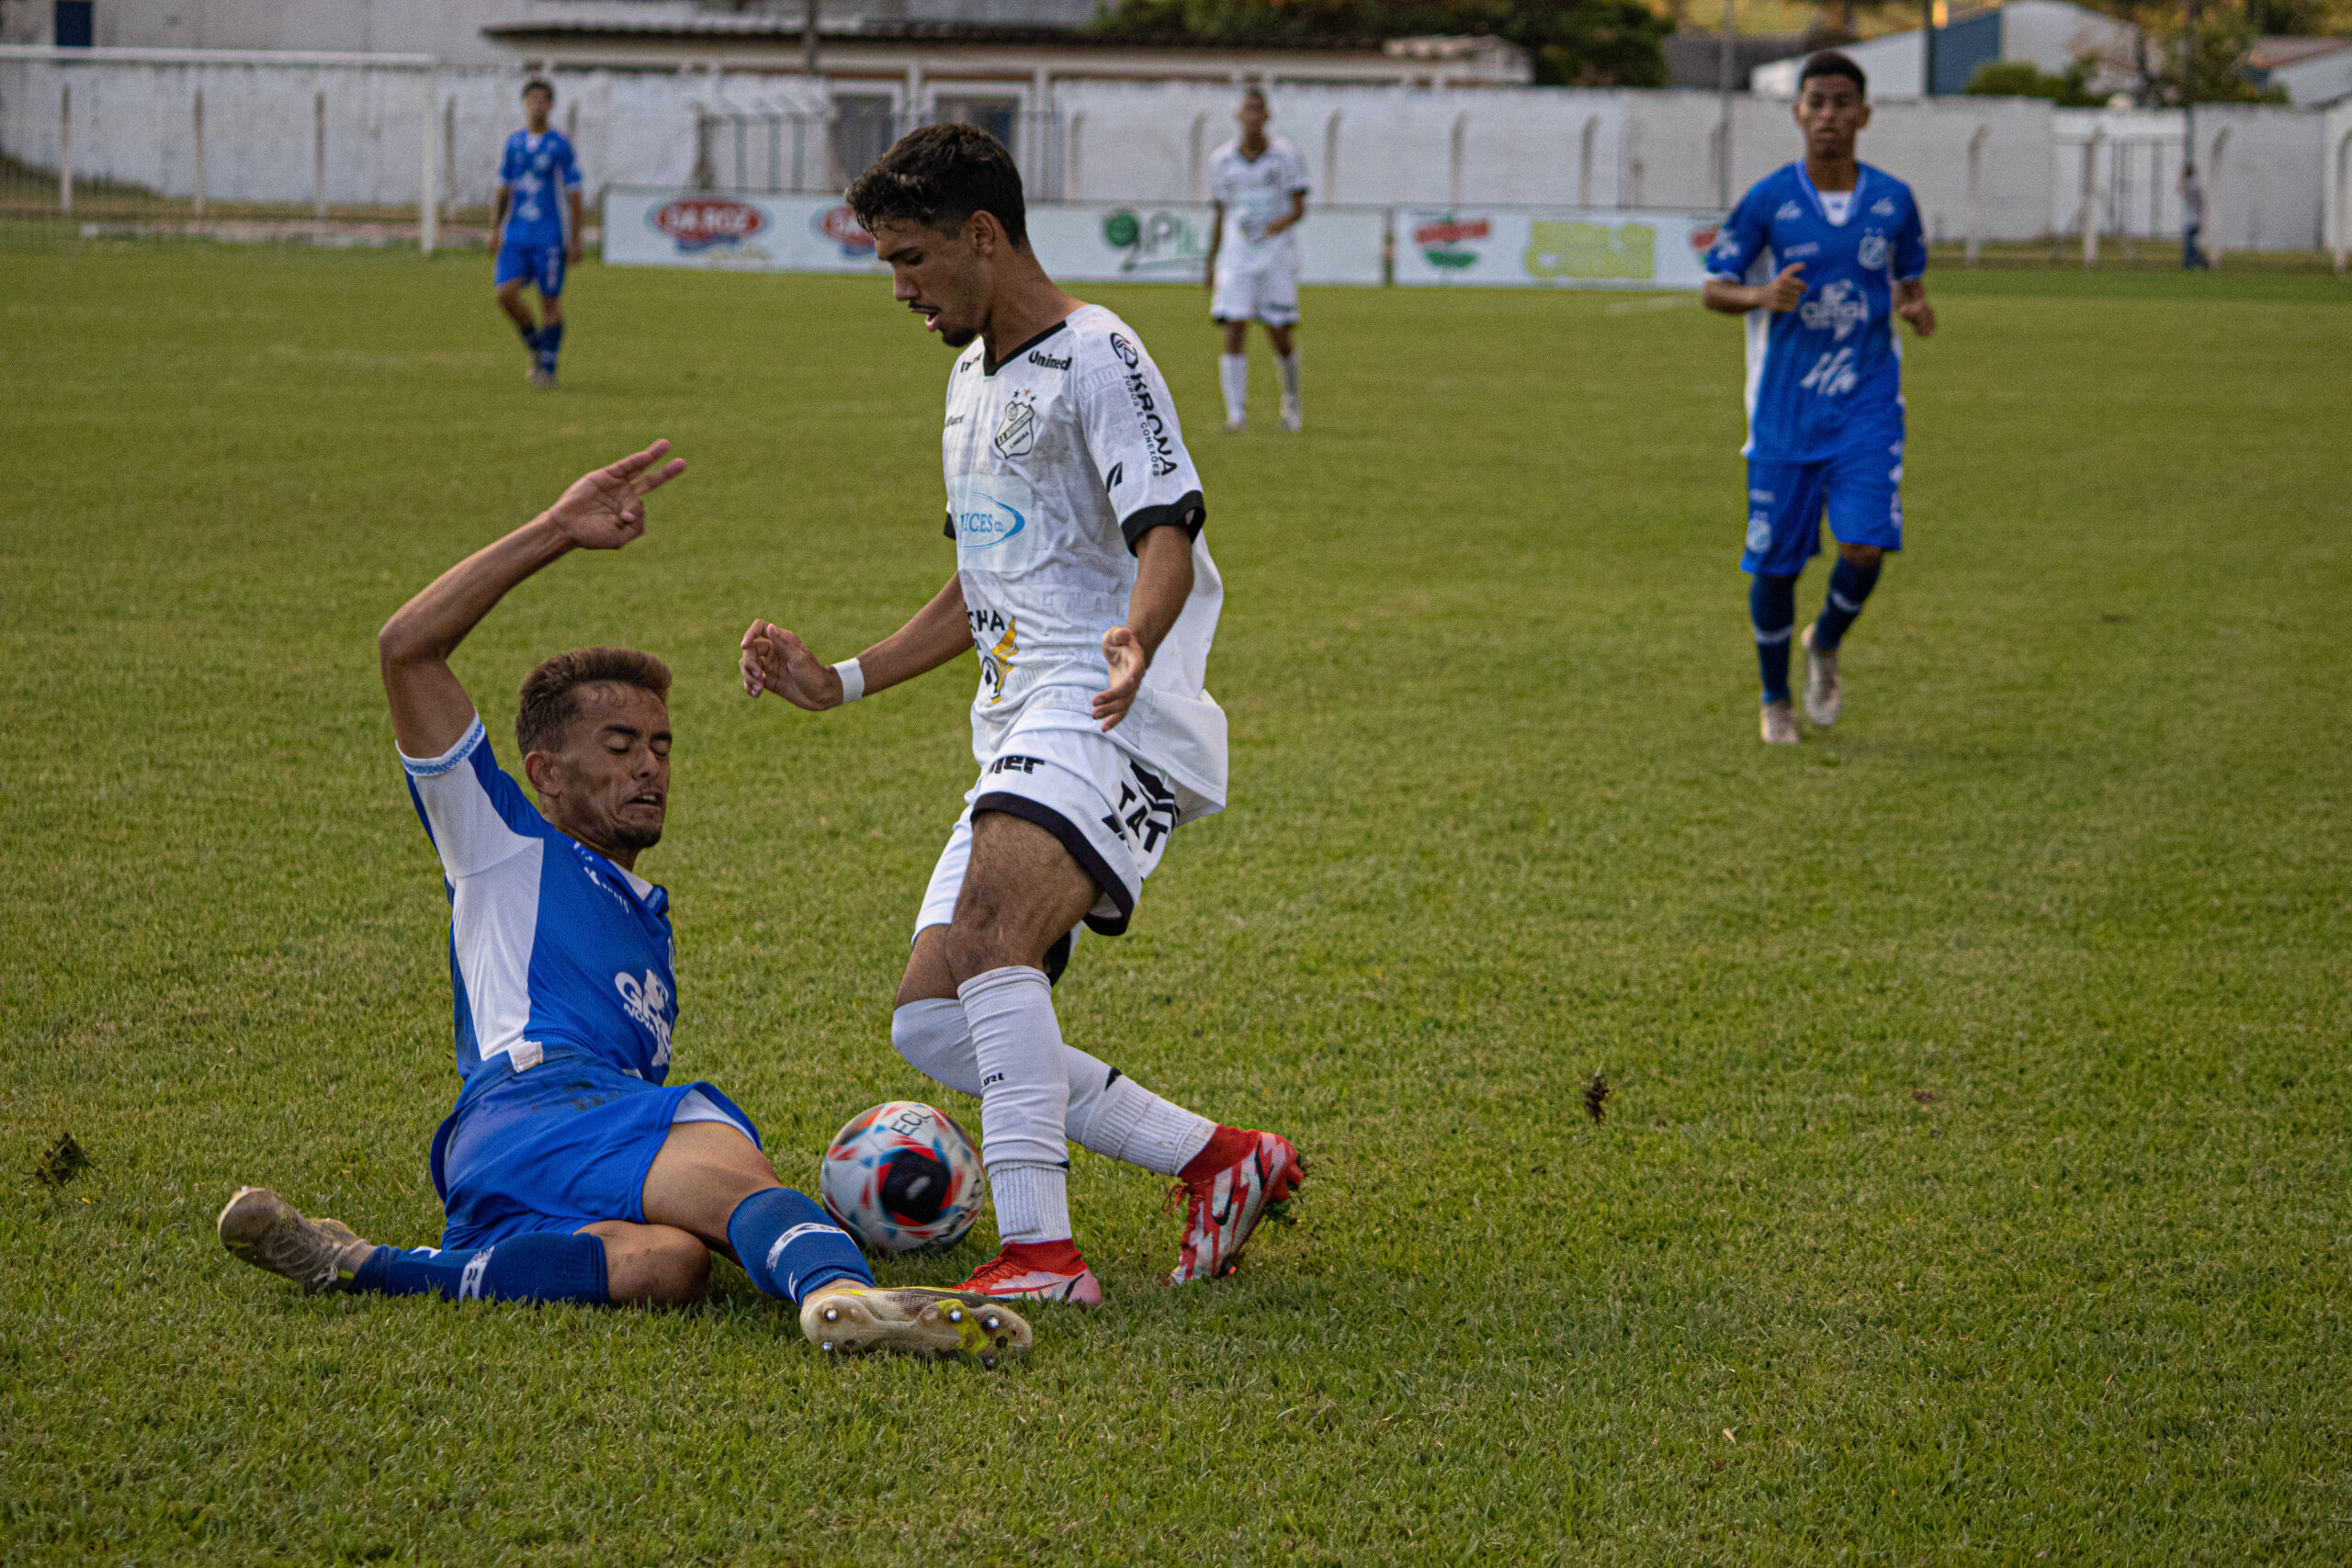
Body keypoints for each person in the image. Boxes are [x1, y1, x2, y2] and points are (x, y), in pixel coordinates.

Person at [214, 439, 1031, 1368]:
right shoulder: (502, 844)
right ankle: (843, 1294)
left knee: (667, 1267)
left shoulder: (639, 907)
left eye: (661, 743)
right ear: (544, 772)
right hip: (542, 1101)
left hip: (507, 1164)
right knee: (726, 1172)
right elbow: (407, 648)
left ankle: (368, 1265)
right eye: (618, 744)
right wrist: (557, 531)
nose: (649, 764)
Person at [735, 125, 1305, 1307]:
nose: (897, 289)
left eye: (910, 259)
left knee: (994, 938)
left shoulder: (1100, 353)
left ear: (981, 236)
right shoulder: (967, 380)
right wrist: (840, 678)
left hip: (1106, 708)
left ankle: (1043, 1255)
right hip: (1016, 725)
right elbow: (982, 585)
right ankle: (1221, 1160)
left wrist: (1136, 640)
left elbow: (1166, 527)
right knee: (933, 1024)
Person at [1702, 51, 1935, 745]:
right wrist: (1759, 294)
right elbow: (1715, 286)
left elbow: (1909, 280)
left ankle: (1825, 642)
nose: (1829, 115)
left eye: (1842, 103)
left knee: (1864, 543)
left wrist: (1916, 308)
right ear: (1798, 113)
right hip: (1785, 411)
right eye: (1816, 103)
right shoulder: (1770, 200)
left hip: (1866, 402)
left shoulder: (1893, 201)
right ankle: (1776, 699)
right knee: (1774, 562)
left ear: (1864, 114)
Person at [1204, 86, 1310, 433]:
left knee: (1279, 332)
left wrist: (1278, 223)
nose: (1252, 117)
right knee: (1234, 328)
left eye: (1257, 110)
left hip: (1274, 258)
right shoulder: (1222, 160)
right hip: (1236, 258)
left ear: (1266, 117)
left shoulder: (1286, 156)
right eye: (1246, 110)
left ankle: (1291, 405)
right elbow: (1220, 213)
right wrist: (1211, 259)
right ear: (1238, 116)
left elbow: (1298, 207)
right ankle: (1236, 415)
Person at [493, 78, 583, 390]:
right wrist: (494, 229)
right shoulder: (514, 143)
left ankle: (547, 367)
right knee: (504, 294)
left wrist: (575, 238)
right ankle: (537, 344)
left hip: (548, 236)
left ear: (551, 105)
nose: (537, 104)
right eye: (532, 99)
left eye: (543, 99)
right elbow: (504, 188)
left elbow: (573, 194)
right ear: (524, 103)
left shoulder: (560, 145)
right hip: (516, 234)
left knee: (549, 303)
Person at [2179, 164, 2211, 271]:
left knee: (2189, 245)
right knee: (2191, 245)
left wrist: (2180, 178)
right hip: (2196, 219)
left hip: (2192, 220)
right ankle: (2192, 264)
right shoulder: (2196, 185)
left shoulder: (2190, 185)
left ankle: (2200, 262)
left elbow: (2180, 190)